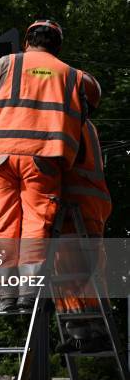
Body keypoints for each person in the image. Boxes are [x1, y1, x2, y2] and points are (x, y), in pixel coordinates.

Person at [0, 19, 85, 311]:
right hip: (43, 157)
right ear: (57, 46)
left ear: (27, 41)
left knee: (3, 224)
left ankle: (6, 295)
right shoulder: (71, 74)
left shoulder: (6, 64)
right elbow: (88, 105)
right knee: (36, 222)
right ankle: (27, 293)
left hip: (1, 157)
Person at [54, 73, 112, 353]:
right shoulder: (82, 124)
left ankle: (97, 331)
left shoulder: (75, 124)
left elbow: (61, 159)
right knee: (67, 272)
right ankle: (79, 333)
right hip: (77, 207)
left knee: (84, 272)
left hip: (81, 206)